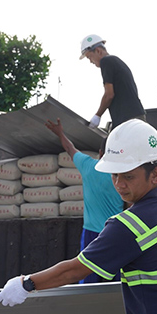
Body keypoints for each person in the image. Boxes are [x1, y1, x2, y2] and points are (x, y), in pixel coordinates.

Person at [0, 119, 157, 314]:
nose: (119, 184)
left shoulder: (129, 226)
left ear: (155, 174)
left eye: (128, 176)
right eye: (114, 175)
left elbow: (74, 271)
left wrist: (26, 284)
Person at [45, 118, 123, 283]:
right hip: (116, 231)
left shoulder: (88, 166)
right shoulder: (122, 176)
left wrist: (60, 132)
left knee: (87, 274)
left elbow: (69, 148)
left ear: (100, 153)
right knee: (118, 278)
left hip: (92, 233)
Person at [79, 34, 145, 130]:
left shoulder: (106, 61)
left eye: (89, 57)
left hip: (128, 119)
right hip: (134, 117)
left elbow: (109, 95)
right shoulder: (115, 62)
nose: (90, 61)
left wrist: (97, 116)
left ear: (98, 51)